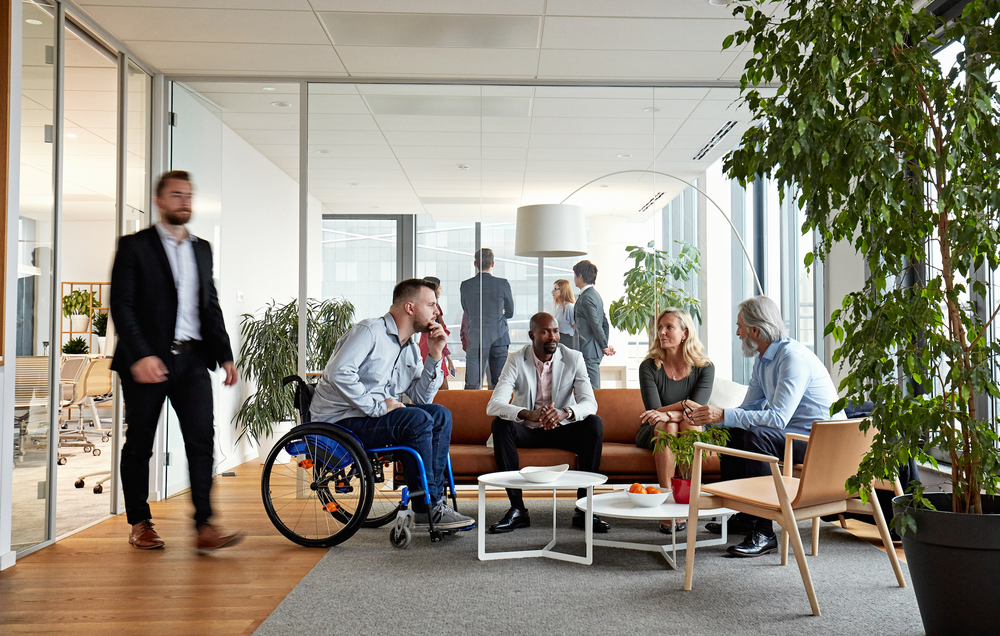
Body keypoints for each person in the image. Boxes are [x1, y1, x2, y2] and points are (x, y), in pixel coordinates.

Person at [111, 170, 241, 552]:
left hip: (191, 360)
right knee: (140, 444)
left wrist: (225, 355)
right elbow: (122, 305)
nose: (184, 202)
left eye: (188, 195)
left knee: (202, 440)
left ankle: (205, 525)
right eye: (176, 195)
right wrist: (141, 355)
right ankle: (139, 523)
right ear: (159, 201)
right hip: (145, 363)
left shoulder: (202, 249)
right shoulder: (135, 246)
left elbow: (209, 305)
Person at [310, 278, 475, 531]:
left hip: (368, 418)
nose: (437, 311)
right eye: (431, 304)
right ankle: (426, 507)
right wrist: (378, 407)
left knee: (440, 414)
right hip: (339, 420)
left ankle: (434, 501)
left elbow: (421, 398)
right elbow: (339, 373)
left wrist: (434, 354)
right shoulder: (369, 331)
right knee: (416, 420)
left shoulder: (410, 348)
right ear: (410, 307)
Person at [690, 295, 844, 557]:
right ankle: (746, 514)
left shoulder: (792, 358)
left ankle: (764, 531)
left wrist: (723, 413)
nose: (737, 333)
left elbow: (778, 419)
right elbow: (749, 408)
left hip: (821, 442)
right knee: (733, 431)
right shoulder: (763, 360)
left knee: (757, 437)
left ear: (755, 331)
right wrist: (716, 419)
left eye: (739, 326)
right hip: (796, 435)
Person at [485, 312, 610, 534]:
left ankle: (583, 508)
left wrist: (565, 412)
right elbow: (494, 405)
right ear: (531, 335)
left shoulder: (574, 358)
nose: (552, 337)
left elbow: (590, 403)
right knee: (500, 425)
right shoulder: (516, 359)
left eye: (555, 331)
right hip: (528, 431)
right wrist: (527, 414)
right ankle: (517, 509)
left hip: (562, 430)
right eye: (545, 332)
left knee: (594, 423)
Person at [635, 308, 714, 534]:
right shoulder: (649, 367)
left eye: (669, 327)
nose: (661, 332)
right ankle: (667, 502)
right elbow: (654, 412)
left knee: (689, 424)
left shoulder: (704, 367)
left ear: (685, 333)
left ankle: (685, 501)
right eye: (660, 327)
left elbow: (697, 412)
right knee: (667, 426)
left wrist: (671, 413)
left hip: (690, 424)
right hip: (654, 429)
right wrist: (683, 405)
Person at [460, 248, 514, 390]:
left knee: (472, 385)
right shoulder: (503, 284)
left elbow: (467, 310)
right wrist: (500, 314)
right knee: (499, 385)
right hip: (499, 339)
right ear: (493, 263)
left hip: (475, 340)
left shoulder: (466, 285)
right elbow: (510, 312)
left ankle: (472, 406)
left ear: (475, 264)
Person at [573, 260, 615, 389]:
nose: (574, 278)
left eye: (575, 275)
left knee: (592, 390)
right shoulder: (595, 295)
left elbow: (596, 324)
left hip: (589, 351)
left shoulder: (586, 297)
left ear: (580, 276)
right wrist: (603, 345)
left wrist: (604, 346)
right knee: (587, 389)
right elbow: (604, 322)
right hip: (593, 349)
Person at [418, 276, 456, 390]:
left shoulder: (431, 307)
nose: (441, 290)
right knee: (441, 389)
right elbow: (439, 334)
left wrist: (448, 358)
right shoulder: (429, 309)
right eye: (440, 288)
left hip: (432, 349)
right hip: (430, 349)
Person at [551, 278, 577, 350]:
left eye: (555, 289)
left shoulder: (570, 307)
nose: (552, 292)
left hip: (568, 341)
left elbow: (576, 327)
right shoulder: (559, 307)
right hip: (559, 340)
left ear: (563, 290)